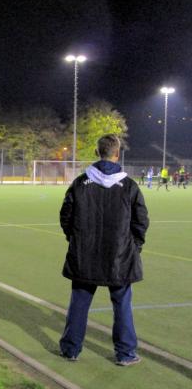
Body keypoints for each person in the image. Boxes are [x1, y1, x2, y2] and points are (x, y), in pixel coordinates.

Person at [58, 134, 149, 366]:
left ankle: (71, 350)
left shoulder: (80, 183)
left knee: (79, 302)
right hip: (119, 257)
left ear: (98, 153)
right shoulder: (129, 185)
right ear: (117, 154)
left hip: (84, 255)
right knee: (122, 305)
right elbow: (141, 221)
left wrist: (74, 239)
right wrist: (134, 247)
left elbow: (65, 216)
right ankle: (126, 353)